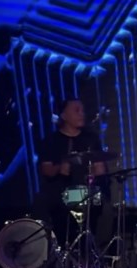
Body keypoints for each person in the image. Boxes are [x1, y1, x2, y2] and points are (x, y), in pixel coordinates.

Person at [36, 98, 110, 250]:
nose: (82, 114)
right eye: (76, 110)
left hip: (85, 192)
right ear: (63, 115)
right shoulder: (51, 141)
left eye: (82, 110)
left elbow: (100, 169)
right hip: (60, 193)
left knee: (105, 206)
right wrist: (59, 168)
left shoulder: (91, 139)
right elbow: (46, 170)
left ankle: (95, 249)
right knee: (44, 202)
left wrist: (99, 170)